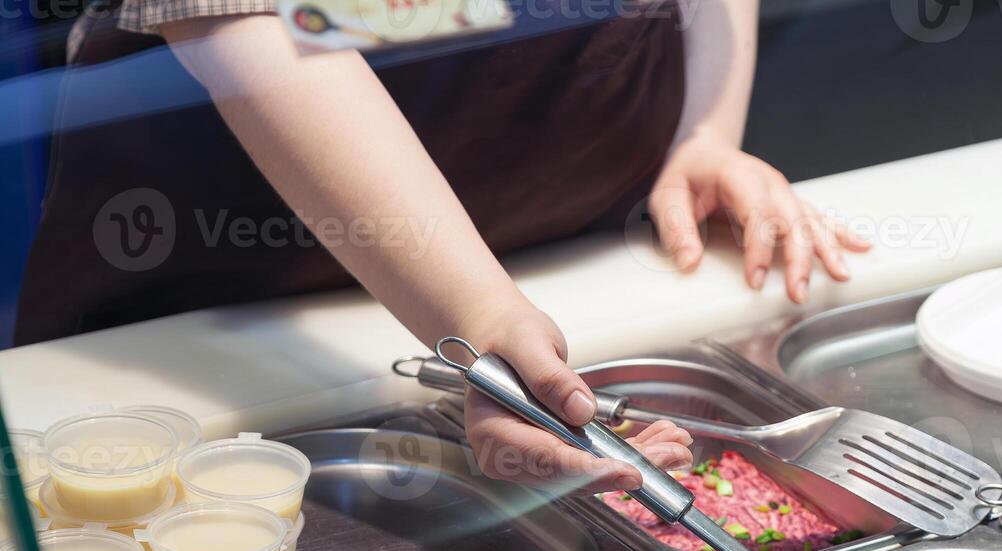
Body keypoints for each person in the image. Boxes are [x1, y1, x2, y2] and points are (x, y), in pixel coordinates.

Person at [17, 0, 868, 493]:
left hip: (575, 246)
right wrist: (476, 314)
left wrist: (706, 133)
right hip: (227, 302)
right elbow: (243, 19)